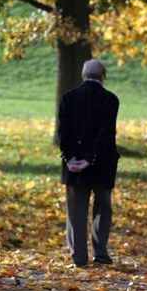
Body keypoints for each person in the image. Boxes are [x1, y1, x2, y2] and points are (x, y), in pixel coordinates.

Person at [57, 59, 120, 268]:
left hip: (74, 164)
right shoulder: (110, 100)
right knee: (102, 208)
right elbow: (105, 134)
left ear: (83, 75)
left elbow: (63, 132)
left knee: (76, 210)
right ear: (103, 76)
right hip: (102, 163)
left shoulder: (68, 98)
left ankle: (79, 257)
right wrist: (91, 159)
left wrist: (70, 158)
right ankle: (100, 253)